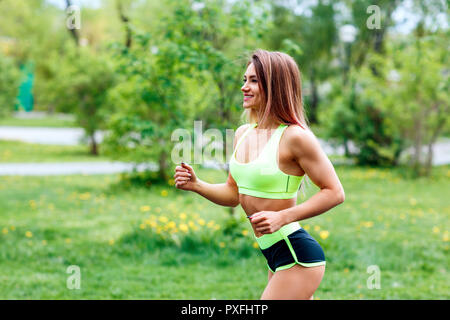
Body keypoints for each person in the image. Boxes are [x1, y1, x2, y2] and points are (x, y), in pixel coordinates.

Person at [173, 49, 345, 300]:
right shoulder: (243, 133)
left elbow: (334, 192)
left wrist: (282, 217)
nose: (245, 86)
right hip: (274, 253)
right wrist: (197, 185)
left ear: (275, 86)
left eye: (254, 80)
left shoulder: (295, 137)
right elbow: (234, 194)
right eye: (244, 80)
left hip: (296, 254)